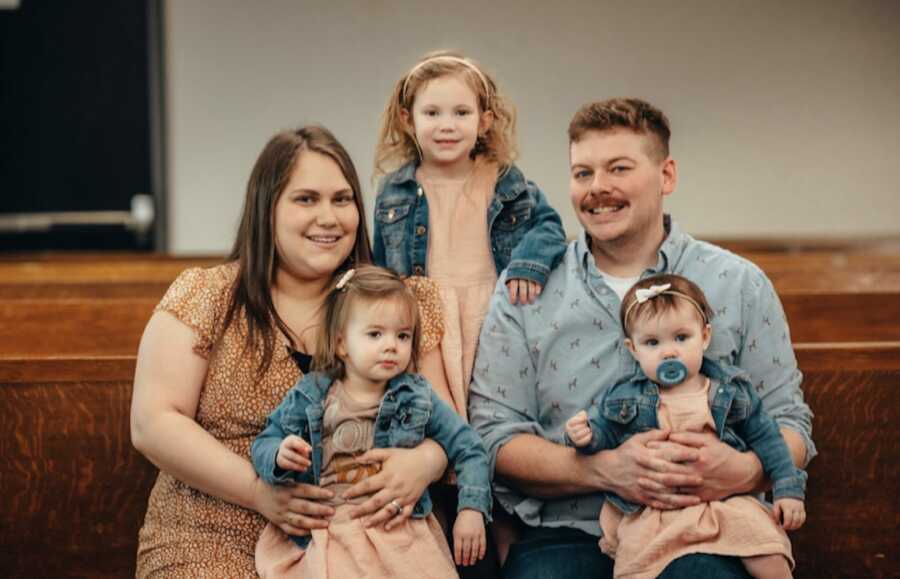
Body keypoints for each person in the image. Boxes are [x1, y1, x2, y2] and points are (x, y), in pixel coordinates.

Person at [468, 98, 816, 578]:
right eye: (583, 173)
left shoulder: (738, 283)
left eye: (618, 168)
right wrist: (601, 470)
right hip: (572, 528)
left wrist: (744, 471)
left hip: (703, 526)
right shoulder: (526, 291)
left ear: (666, 176)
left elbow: (789, 420)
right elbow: (493, 434)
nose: (598, 188)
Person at [130, 126, 450, 577]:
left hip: (358, 543)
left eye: (342, 199)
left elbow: (446, 423)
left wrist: (425, 462)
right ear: (267, 210)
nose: (329, 217)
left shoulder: (395, 304)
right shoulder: (209, 295)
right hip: (213, 529)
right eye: (306, 199)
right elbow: (153, 422)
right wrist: (259, 492)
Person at [251, 265, 492, 578]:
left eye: (402, 335)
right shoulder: (311, 395)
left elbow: (469, 447)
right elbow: (263, 443)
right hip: (330, 532)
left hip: (398, 533)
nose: (391, 345)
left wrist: (471, 509)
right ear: (341, 344)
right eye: (375, 334)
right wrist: (280, 455)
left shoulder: (418, 396)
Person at [565, 273, 806, 579]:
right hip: (655, 511)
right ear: (633, 348)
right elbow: (605, 434)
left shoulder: (728, 392)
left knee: (766, 547)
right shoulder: (625, 398)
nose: (669, 352)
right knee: (639, 562)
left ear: (704, 336)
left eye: (681, 338)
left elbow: (768, 438)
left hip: (725, 502)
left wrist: (788, 489)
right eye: (652, 342)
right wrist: (585, 436)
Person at [372, 50, 567, 420]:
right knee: (432, 414)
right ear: (408, 120)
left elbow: (549, 226)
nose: (447, 125)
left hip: (491, 312)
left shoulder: (503, 180)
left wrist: (528, 265)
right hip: (427, 325)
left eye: (461, 113)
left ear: (484, 122)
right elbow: (380, 267)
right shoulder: (394, 191)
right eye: (432, 113)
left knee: (494, 407)